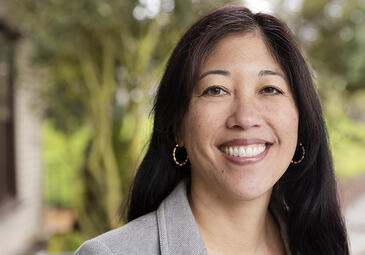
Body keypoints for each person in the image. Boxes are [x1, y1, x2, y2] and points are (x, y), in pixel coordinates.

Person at [75, 5, 349, 255]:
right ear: (177, 127)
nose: (245, 117)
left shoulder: (318, 245)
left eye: (269, 89)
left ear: (302, 124)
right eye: (216, 90)